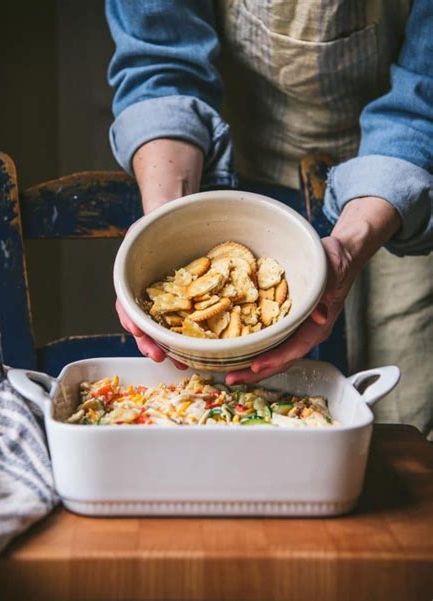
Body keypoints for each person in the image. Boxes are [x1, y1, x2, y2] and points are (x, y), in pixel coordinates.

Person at [105, 1, 432, 436]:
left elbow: (424, 96)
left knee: (403, 412)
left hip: (404, 171)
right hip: (235, 148)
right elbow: (159, 57)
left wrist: (350, 247)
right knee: (213, 410)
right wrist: (165, 223)